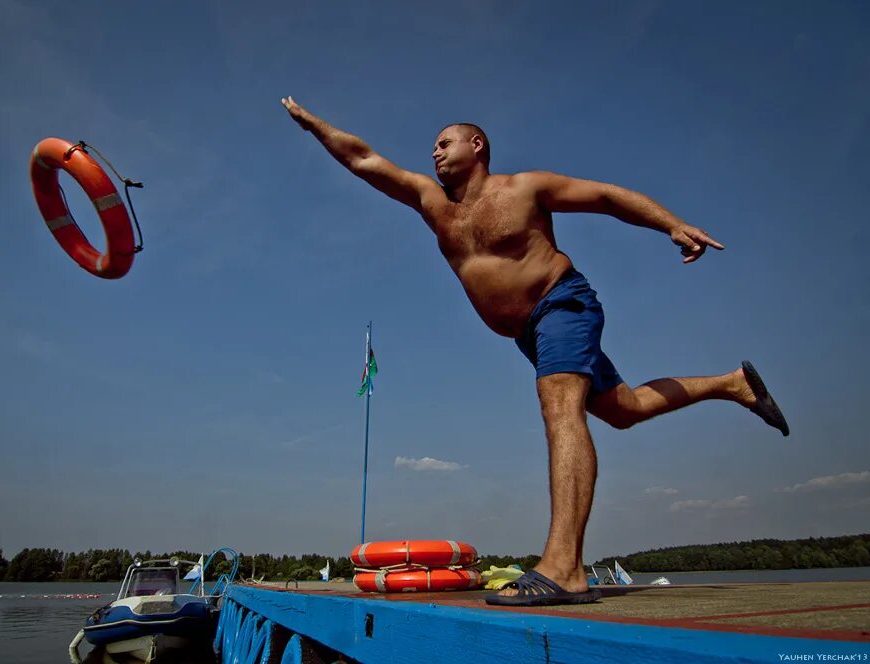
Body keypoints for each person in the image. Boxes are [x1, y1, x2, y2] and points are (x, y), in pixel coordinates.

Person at [280, 96, 789, 606]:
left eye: (443, 142)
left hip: (562, 304)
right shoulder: (430, 201)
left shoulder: (525, 188)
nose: (433, 153)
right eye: (432, 147)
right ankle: (732, 384)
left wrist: (670, 224)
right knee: (624, 409)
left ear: (476, 144)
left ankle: (565, 567)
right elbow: (363, 158)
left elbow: (606, 197)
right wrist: (313, 125)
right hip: (530, 333)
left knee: (559, 405)